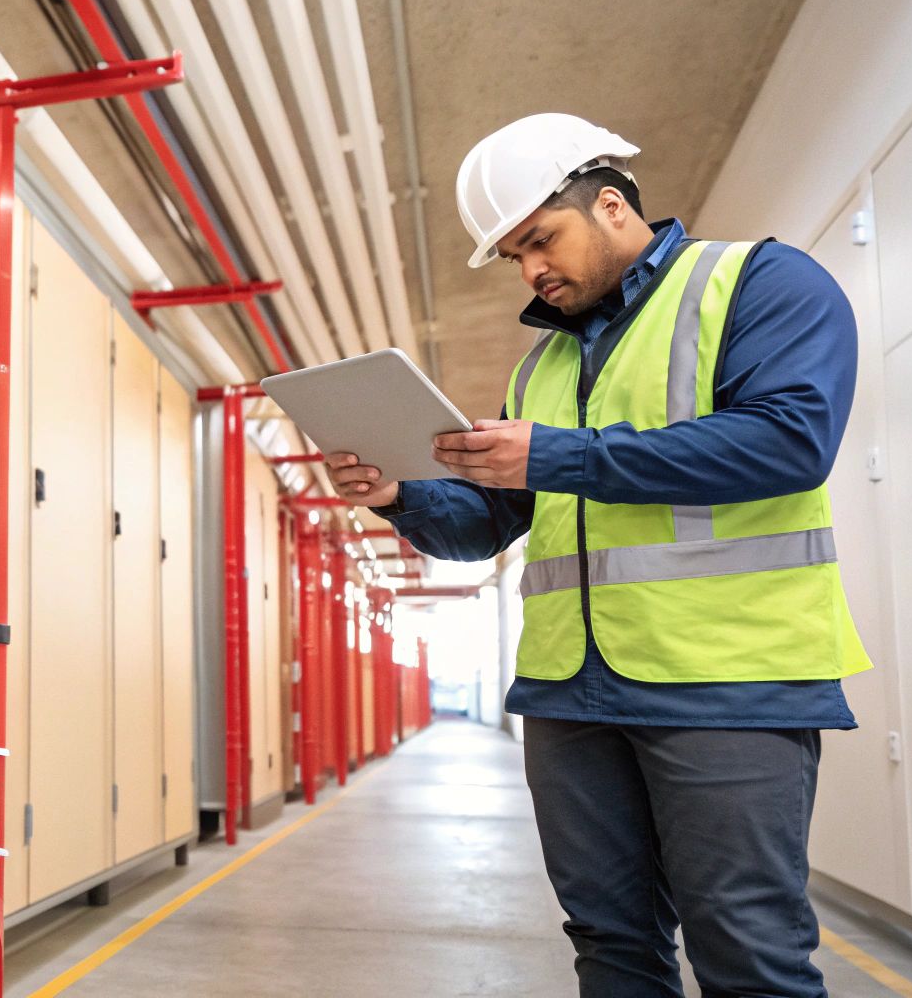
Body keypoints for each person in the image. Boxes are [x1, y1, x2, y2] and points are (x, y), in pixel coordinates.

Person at [324, 112, 871, 998]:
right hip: (572, 695)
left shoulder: (759, 283)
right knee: (610, 943)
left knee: (746, 950)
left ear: (611, 203)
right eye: (515, 256)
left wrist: (553, 454)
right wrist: (397, 496)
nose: (533, 270)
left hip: (727, 683)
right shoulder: (542, 368)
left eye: (541, 239)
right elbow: (489, 524)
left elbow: (787, 443)